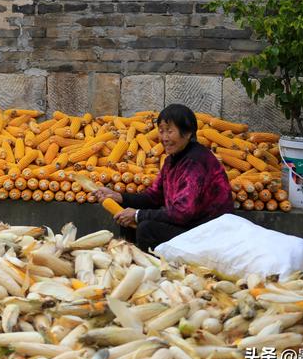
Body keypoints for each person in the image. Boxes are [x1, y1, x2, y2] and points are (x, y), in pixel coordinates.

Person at [92, 104, 233, 252]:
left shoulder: (195, 162)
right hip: (191, 224)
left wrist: (138, 214)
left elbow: (183, 212)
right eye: (161, 131)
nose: (164, 138)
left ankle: (155, 271)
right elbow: (153, 197)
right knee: (128, 220)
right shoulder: (171, 160)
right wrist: (119, 197)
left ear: (188, 133)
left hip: (208, 231)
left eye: (170, 131)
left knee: (146, 228)